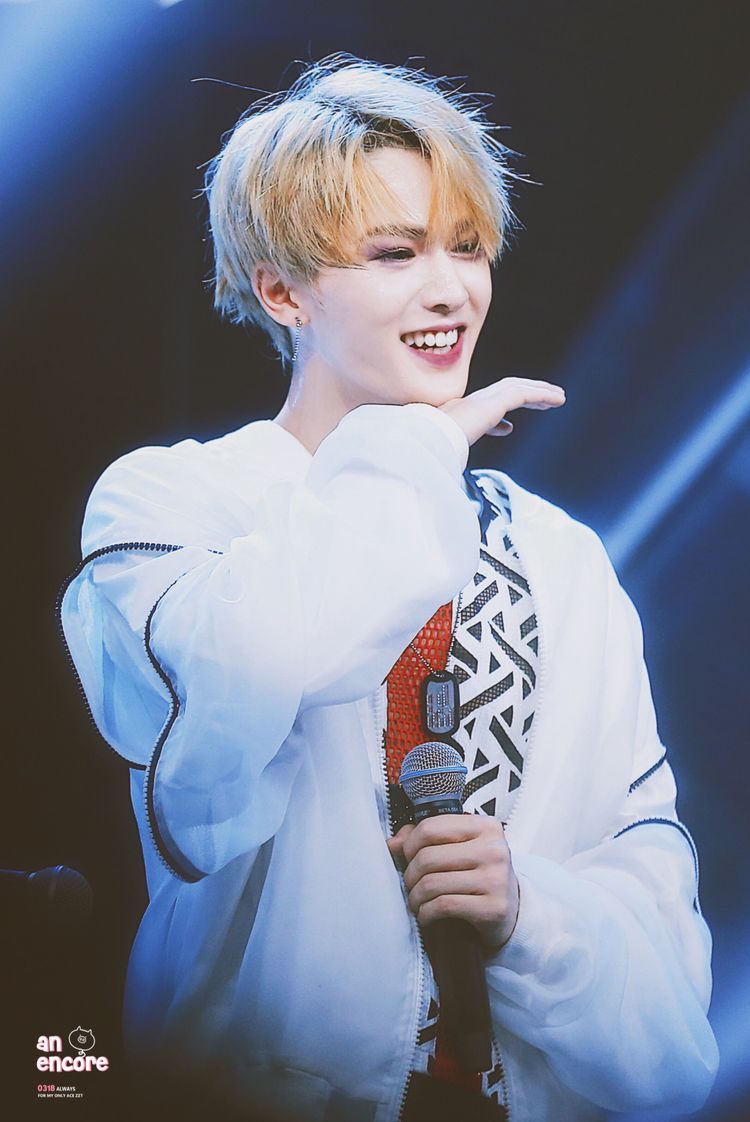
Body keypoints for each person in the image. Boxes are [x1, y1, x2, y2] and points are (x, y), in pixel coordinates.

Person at [59, 53, 718, 1122]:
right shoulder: (175, 503)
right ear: (282, 290)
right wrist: (418, 452)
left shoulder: (560, 555)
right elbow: (245, 687)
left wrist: (530, 911)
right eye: (395, 252)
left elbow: (650, 898)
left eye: (468, 246)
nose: (451, 289)